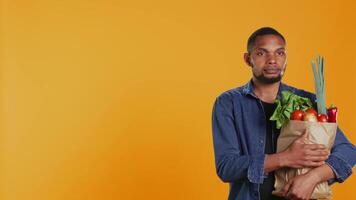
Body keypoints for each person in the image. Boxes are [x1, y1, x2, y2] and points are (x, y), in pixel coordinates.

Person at [211, 27, 356, 200]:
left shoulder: (307, 101)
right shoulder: (228, 103)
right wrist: (286, 158)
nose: (272, 60)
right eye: (261, 53)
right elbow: (227, 167)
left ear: (286, 59)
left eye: (279, 53)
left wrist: (312, 178)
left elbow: (348, 151)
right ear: (248, 59)